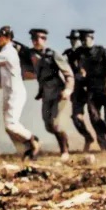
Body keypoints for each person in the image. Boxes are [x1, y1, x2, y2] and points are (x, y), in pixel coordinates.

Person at [0, 26, 41, 158]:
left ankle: (33, 140)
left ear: (8, 38)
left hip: (15, 93)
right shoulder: (8, 50)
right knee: (9, 126)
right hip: (10, 92)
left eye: (1, 36)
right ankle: (28, 148)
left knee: (11, 125)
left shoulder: (8, 53)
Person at [29, 28, 74, 161]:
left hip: (58, 92)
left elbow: (68, 74)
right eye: (35, 39)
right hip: (45, 94)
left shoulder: (53, 54)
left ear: (45, 40)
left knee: (55, 124)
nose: (38, 41)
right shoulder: (31, 54)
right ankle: (64, 140)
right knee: (48, 125)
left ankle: (64, 150)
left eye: (41, 38)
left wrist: (68, 89)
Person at [77, 29, 106, 152]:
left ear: (92, 39)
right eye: (82, 40)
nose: (84, 42)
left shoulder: (102, 52)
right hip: (92, 90)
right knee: (94, 117)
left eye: (86, 39)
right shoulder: (80, 53)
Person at [63, 30, 95, 151]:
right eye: (71, 39)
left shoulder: (90, 53)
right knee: (76, 117)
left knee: (95, 116)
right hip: (77, 89)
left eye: (76, 39)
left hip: (91, 87)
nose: (73, 42)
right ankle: (88, 137)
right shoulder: (68, 53)